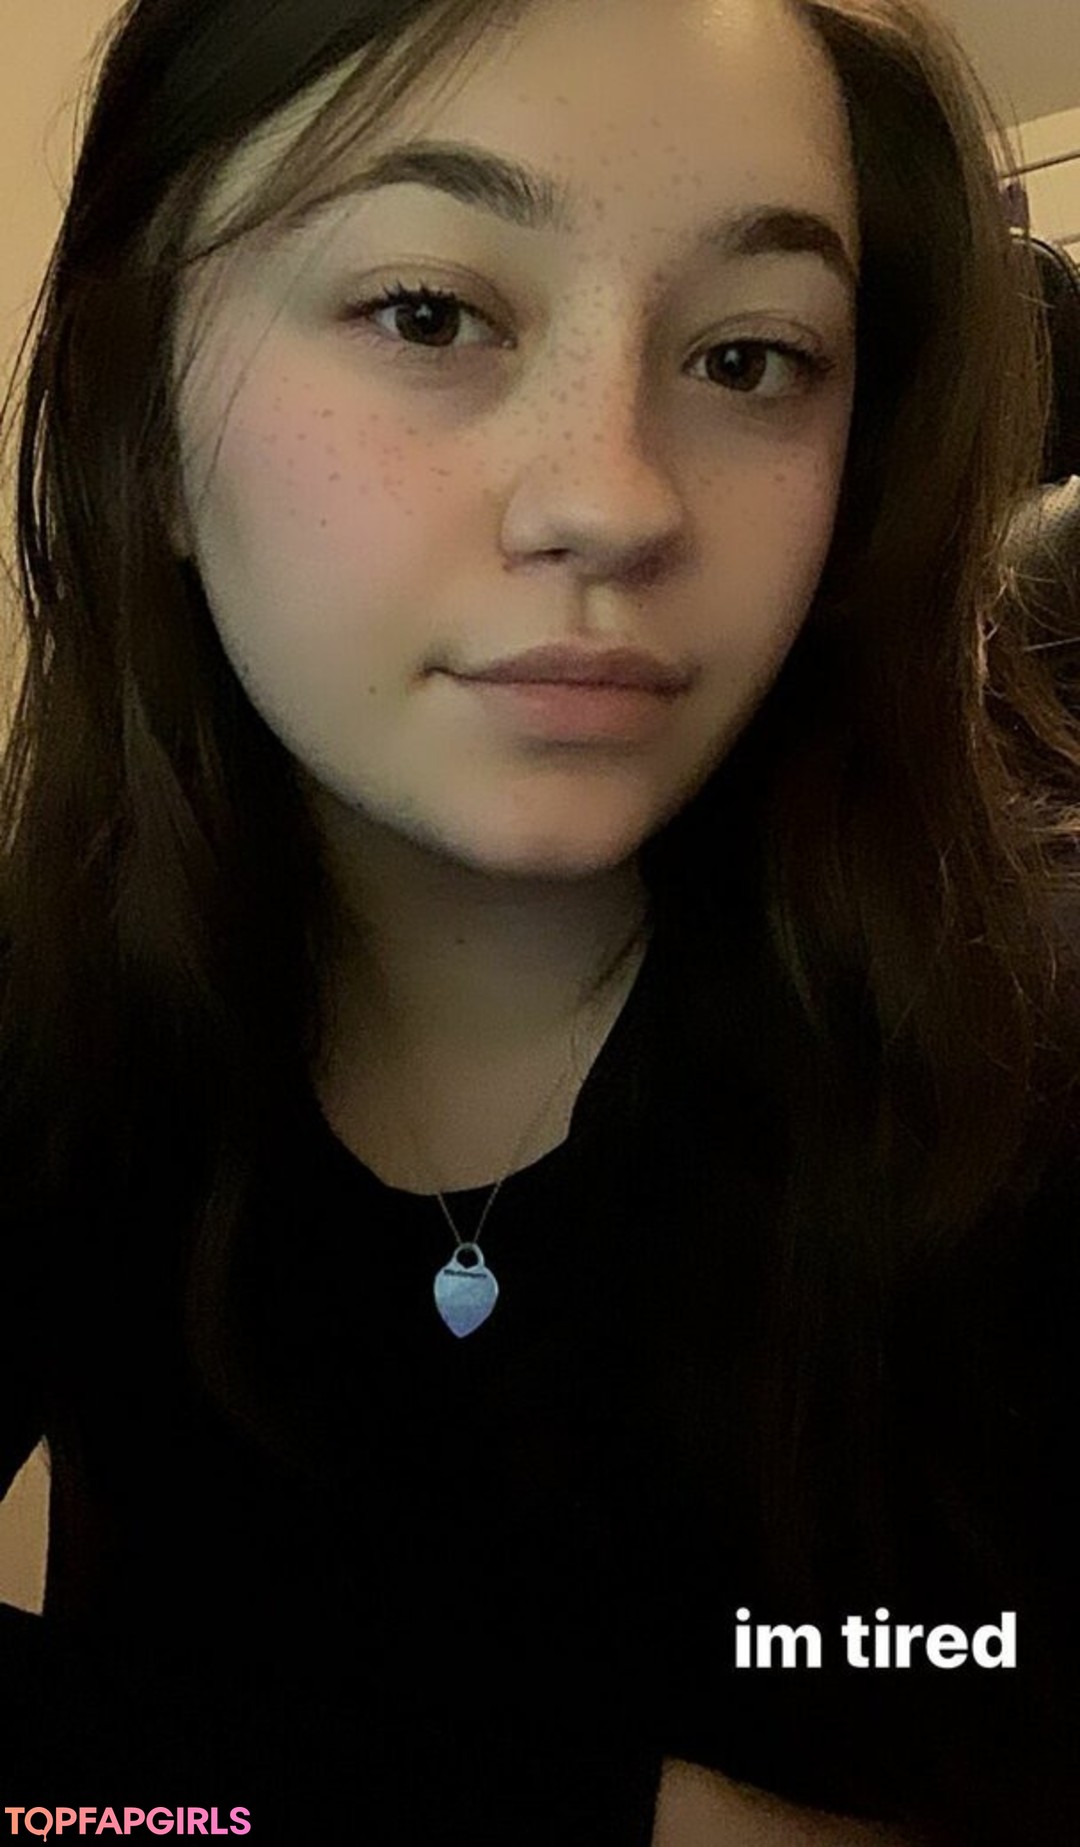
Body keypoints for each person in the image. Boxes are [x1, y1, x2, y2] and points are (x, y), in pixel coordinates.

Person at [0, 0, 1077, 1840]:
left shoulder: (1025, 1064)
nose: (612, 499)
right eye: (430, 315)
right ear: (140, 424)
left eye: (749, 358)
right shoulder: (60, 1023)